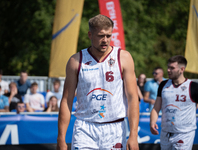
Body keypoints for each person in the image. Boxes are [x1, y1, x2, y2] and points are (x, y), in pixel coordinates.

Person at [57, 14, 139, 150]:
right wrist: (61, 138)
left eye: (108, 35)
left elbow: (132, 97)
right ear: (90, 35)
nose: (105, 40)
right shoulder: (75, 61)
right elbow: (67, 100)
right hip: (85, 128)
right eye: (101, 35)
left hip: (115, 128)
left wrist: (133, 135)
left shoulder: (124, 57)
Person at [150, 55, 198, 150]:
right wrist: (152, 122)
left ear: (182, 69)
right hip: (165, 132)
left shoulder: (193, 86)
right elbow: (156, 107)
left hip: (184, 134)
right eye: (168, 67)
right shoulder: (163, 85)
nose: (168, 70)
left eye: (172, 68)